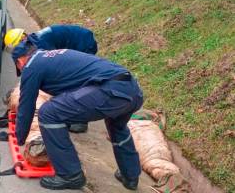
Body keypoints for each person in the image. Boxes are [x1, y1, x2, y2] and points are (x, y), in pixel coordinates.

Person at [11, 41, 144, 190]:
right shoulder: (52, 57)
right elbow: (69, 97)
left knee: (48, 113)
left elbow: (26, 105)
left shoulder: (31, 67)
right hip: (132, 89)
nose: (21, 70)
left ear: (20, 60)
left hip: (110, 90)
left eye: (19, 67)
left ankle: (70, 175)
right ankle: (130, 176)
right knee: (117, 126)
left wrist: (20, 138)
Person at [5, 24, 98, 133]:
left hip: (83, 44)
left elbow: (50, 68)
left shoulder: (40, 45)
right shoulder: (34, 42)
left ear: (22, 40)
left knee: (77, 83)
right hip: (79, 41)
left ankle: (81, 121)